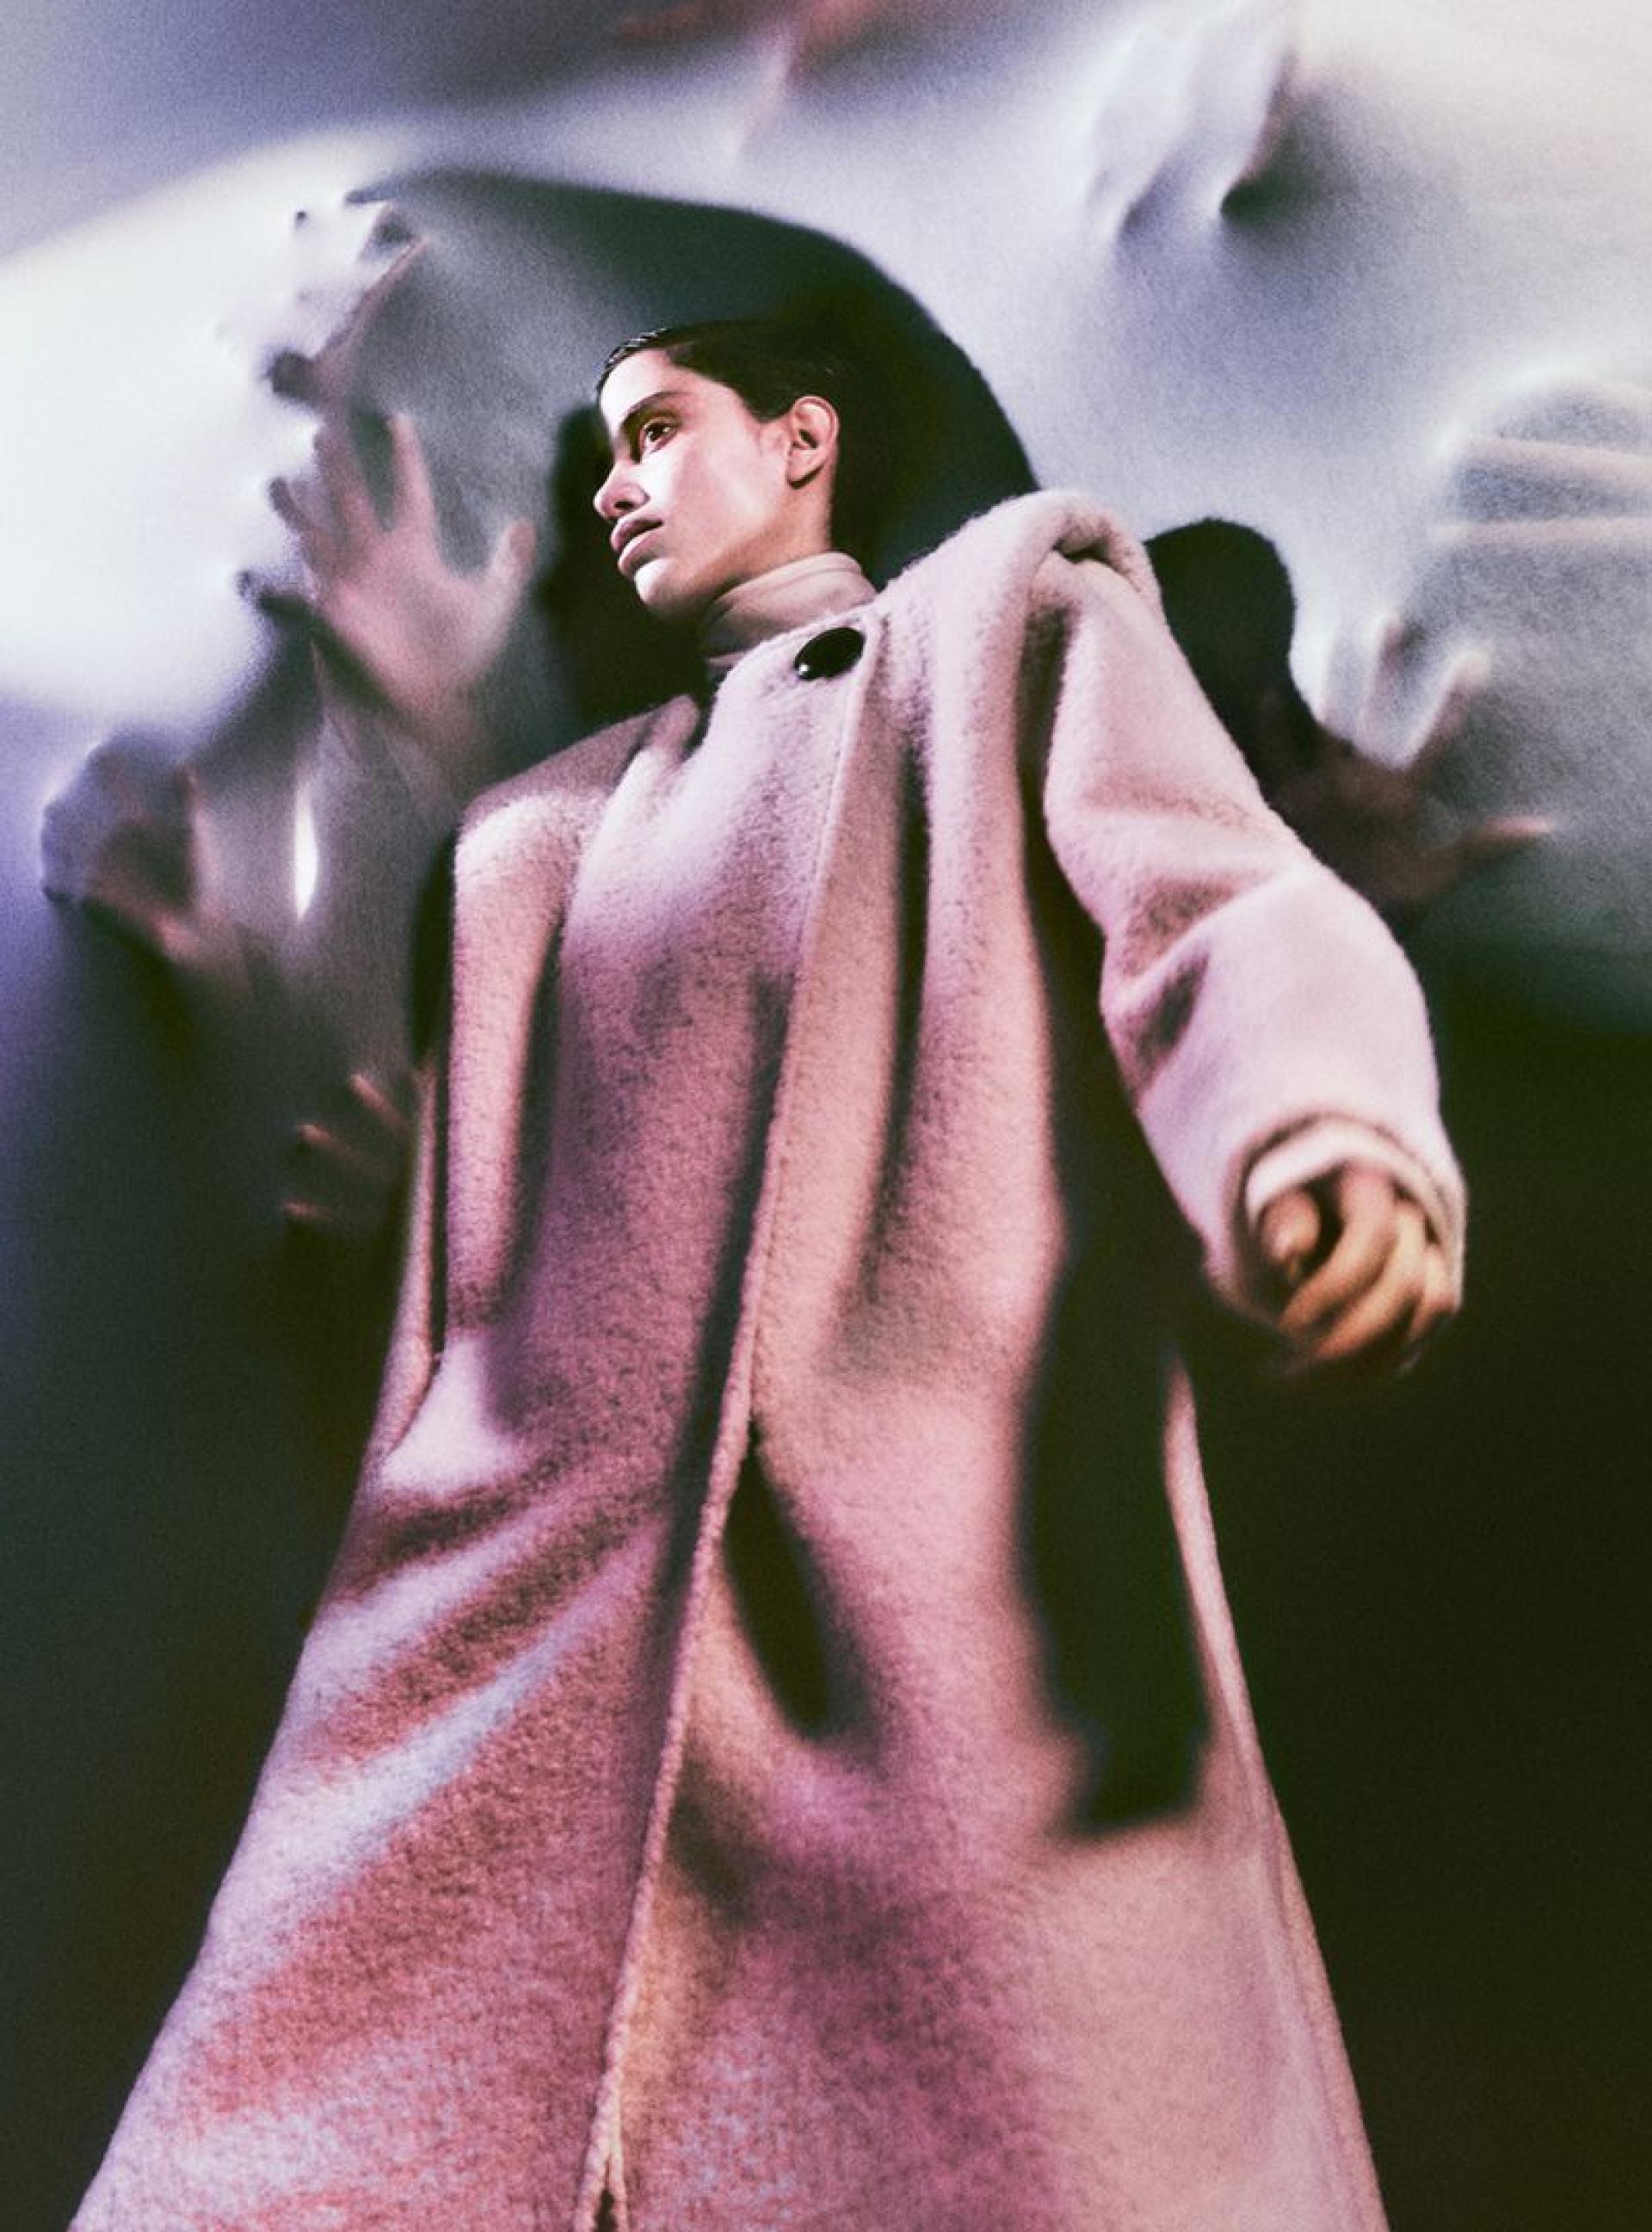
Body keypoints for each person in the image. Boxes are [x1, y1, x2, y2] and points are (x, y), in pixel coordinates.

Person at [76, 318, 1463, 2231]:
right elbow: (458, 1270)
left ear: (802, 438)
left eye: (656, 430)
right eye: (601, 459)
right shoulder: (538, 841)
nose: (618, 489)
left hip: (928, 1608)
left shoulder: (999, 631)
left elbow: (1211, 902)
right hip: (510, 1636)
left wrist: (1318, 1128)